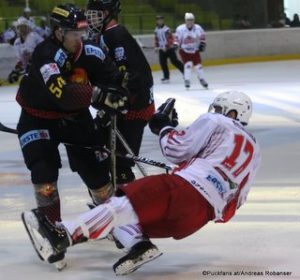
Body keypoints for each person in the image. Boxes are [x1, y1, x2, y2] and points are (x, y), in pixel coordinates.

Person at [22, 91, 261, 275]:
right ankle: (139, 246)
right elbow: (235, 203)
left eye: (220, 108)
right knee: (124, 217)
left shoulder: (217, 121)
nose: (215, 111)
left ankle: (61, 235)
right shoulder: (255, 151)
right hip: (197, 218)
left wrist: (164, 126)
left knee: (118, 204)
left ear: (232, 113)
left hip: (184, 190)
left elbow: (176, 149)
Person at [16, 3, 129, 269]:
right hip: (37, 117)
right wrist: (98, 96)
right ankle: (52, 229)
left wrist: (118, 97)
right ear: (58, 32)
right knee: (44, 174)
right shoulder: (45, 54)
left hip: (76, 118)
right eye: (73, 33)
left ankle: (112, 220)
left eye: (82, 32)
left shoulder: (91, 52)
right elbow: (64, 94)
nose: (80, 38)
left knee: (97, 175)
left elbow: (114, 79)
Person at [85, 0, 155, 185]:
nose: (90, 18)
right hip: (127, 105)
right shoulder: (107, 35)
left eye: (95, 13)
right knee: (106, 154)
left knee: (120, 162)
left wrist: (119, 101)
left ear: (108, 13)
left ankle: (126, 202)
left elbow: (130, 76)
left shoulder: (115, 35)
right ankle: (114, 199)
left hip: (134, 107)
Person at [175, 12, 208, 89]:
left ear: (194, 20)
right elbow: (177, 39)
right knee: (188, 65)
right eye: (188, 20)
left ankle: (202, 79)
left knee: (198, 66)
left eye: (191, 20)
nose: (190, 22)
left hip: (194, 50)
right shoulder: (180, 29)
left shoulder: (198, 28)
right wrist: (175, 44)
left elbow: (202, 37)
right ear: (185, 20)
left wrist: (202, 43)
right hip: (184, 50)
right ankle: (187, 80)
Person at [8, 17, 43, 83]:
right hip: (31, 71)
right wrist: (16, 71)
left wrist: (31, 63)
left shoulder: (34, 36)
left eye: (23, 26)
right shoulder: (17, 42)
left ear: (27, 27)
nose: (21, 29)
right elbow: (20, 61)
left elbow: (42, 51)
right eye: (19, 27)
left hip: (41, 68)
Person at [154, 15, 183, 83]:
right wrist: (156, 46)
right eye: (158, 20)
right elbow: (156, 39)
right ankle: (166, 77)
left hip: (169, 49)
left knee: (174, 61)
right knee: (163, 63)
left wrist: (166, 47)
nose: (160, 21)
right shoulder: (156, 30)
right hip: (162, 49)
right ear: (157, 21)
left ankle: (185, 73)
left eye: (161, 20)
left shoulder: (167, 29)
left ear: (163, 21)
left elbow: (170, 39)